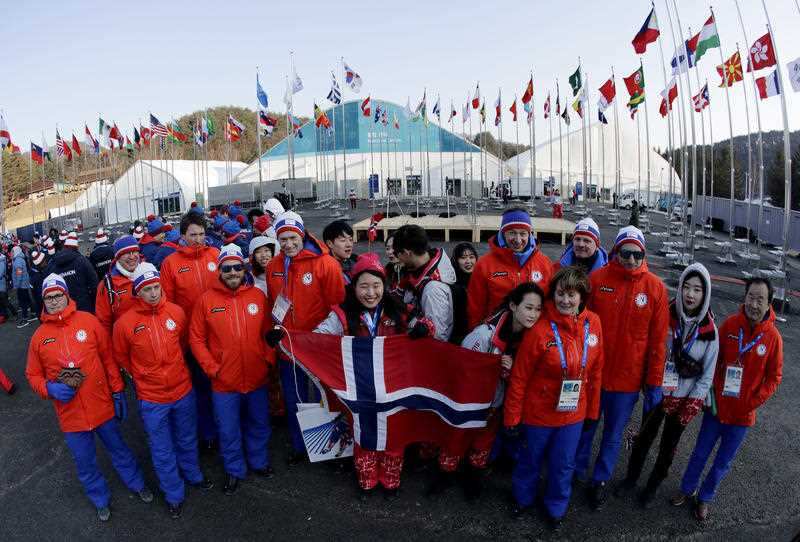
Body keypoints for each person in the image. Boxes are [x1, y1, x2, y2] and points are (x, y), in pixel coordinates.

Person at [25, 274, 152, 521]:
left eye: (57, 295)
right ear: (43, 301)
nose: (53, 301)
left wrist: (117, 391)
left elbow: (108, 358)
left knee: (120, 450)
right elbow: (32, 374)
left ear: (66, 295)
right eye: (48, 298)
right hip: (71, 416)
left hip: (101, 406)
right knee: (85, 463)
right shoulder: (39, 337)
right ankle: (99, 499)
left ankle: (137, 484)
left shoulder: (89, 322)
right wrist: (49, 389)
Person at [573, 225, 669, 510]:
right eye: (625, 253)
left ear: (643, 254)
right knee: (586, 428)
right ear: (615, 252)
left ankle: (599, 480)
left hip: (627, 384)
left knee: (613, 435)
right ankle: (575, 474)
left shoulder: (655, 289)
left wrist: (654, 383)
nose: (630, 259)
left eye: (636, 254)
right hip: (594, 376)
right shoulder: (598, 278)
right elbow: (581, 325)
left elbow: (657, 342)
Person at [673, 277, 783, 521]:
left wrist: (752, 402)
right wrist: (709, 394)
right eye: (751, 297)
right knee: (700, 453)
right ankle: (687, 489)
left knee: (723, 462)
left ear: (769, 303)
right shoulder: (731, 326)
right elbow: (713, 360)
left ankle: (705, 498)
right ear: (744, 298)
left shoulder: (773, 338)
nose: (754, 304)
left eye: (760, 299)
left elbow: (774, 377)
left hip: (743, 416)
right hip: (717, 409)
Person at [504, 266, 604, 531]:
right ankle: (522, 498)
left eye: (571, 295)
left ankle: (555, 507)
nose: (565, 300)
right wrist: (512, 418)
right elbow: (520, 377)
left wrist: (593, 412)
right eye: (560, 293)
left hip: (573, 413)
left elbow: (595, 372)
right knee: (530, 460)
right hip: (538, 413)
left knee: (563, 465)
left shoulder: (593, 323)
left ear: (582, 297)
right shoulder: (539, 328)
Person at [113, 263, 213, 518]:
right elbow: (122, 357)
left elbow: (182, 344)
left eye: (156, 287)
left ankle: (193, 475)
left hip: (182, 390)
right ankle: (174, 494)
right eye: (146, 289)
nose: (153, 293)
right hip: (152, 397)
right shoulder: (125, 324)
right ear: (137, 292)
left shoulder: (177, 313)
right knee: (161, 448)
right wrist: (143, 375)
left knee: (187, 438)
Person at [615, 262, 718, 508]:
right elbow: (650, 347)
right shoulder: (665, 313)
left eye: (697, 289)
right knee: (643, 439)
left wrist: (690, 405)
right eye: (687, 287)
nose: (690, 294)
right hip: (658, 391)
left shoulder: (710, 331)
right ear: (680, 288)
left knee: (668, 449)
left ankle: (652, 487)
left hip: (682, 399)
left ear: (705, 294)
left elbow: (707, 375)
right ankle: (631, 478)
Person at [433, 282, 545, 500]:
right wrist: (493, 365)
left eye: (538, 309)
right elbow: (462, 366)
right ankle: (444, 475)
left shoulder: (533, 336)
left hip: (496, 403)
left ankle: (474, 477)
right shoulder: (484, 334)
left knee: (484, 441)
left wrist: (511, 371)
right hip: (470, 401)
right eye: (529, 308)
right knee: (457, 437)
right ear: (513, 306)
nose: (533, 314)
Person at [314, 253, 409, 499]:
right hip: (359, 389)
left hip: (392, 388)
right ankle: (366, 481)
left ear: (384, 286)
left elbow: (428, 327)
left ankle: (391, 481)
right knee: (363, 435)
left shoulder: (398, 311)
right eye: (363, 286)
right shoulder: (343, 315)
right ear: (353, 287)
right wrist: (286, 337)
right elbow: (318, 336)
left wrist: (424, 328)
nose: (370, 293)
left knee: (393, 437)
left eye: (376, 285)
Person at [190, 244, 275, 495]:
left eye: (237, 267)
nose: (233, 272)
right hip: (224, 382)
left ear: (244, 268)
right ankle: (234, 469)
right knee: (228, 430)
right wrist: (211, 368)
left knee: (259, 423)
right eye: (227, 268)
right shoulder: (206, 300)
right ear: (220, 271)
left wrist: (267, 359)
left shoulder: (258, 297)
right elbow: (196, 339)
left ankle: (259, 462)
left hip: (256, 377)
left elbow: (269, 333)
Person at [264, 211, 345, 464]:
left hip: (319, 346)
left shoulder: (326, 264)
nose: (288, 244)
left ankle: (334, 445)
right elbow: (274, 303)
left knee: (327, 394)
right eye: (283, 239)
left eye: (292, 237)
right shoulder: (274, 266)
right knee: (295, 397)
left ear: (302, 234)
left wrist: (323, 338)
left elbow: (338, 307)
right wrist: (275, 329)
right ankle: (301, 446)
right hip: (288, 345)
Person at [160, 212, 222, 452]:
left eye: (202, 234)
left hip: (220, 334)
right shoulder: (171, 264)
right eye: (193, 235)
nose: (198, 239)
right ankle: (208, 433)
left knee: (224, 384)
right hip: (191, 340)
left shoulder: (216, 256)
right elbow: (169, 306)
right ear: (182, 236)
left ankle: (226, 428)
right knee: (201, 388)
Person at [467, 208, 553, 329]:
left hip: (533, 333)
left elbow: (549, 303)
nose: (518, 240)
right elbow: (475, 307)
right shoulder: (484, 265)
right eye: (512, 233)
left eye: (523, 233)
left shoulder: (545, 264)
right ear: (503, 233)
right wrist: (475, 332)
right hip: (496, 333)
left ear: (529, 234)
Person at [392, 224, 456, 342]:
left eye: (397, 254)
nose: (396, 258)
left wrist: (410, 318)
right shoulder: (419, 272)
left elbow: (438, 334)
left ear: (407, 253)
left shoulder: (432, 289)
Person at [95, 236, 141, 337]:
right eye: (126, 253)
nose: (132, 256)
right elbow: (103, 324)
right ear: (118, 258)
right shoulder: (107, 285)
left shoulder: (148, 273)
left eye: (134, 251)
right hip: (124, 344)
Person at [43, 231, 99, 313]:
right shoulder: (82, 260)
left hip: (62, 309)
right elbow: (94, 283)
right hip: (84, 308)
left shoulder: (52, 264)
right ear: (76, 247)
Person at [323, 219, 358, 284]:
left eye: (350, 240)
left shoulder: (356, 261)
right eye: (343, 240)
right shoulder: (324, 269)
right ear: (330, 243)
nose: (349, 244)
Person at [11, 245, 32, 328]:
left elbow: (19, 274)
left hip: (21, 285)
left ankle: (25, 318)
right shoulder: (19, 259)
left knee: (23, 301)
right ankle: (32, 313)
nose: (11, 253)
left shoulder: (18, 261)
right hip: (23, 284)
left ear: (16, 252)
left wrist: (16, 285)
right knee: (26, 299)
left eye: (12, 251)